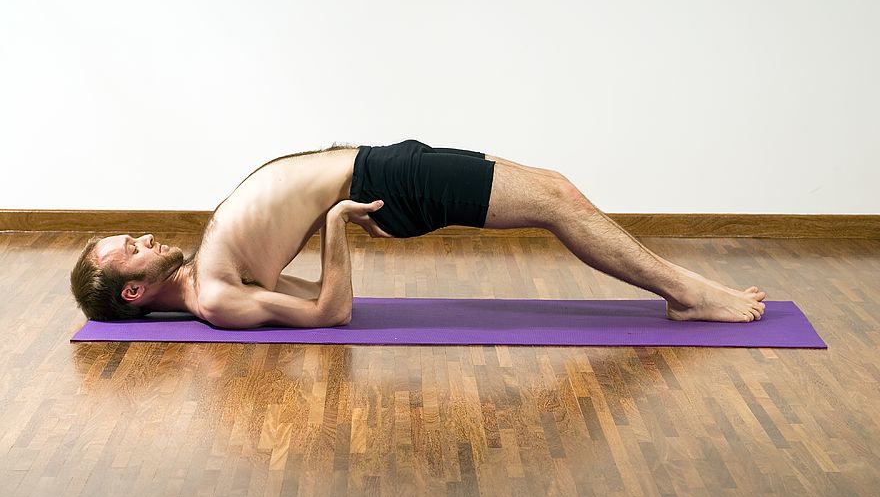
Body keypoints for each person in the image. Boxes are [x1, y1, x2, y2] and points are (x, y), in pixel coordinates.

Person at [70, 139, 766, 328]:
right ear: (133, 289)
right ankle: (687, 293)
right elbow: (331, 312)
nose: (143, 235)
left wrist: (326, 201)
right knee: (559, 196)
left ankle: (685, 289)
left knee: (555, 189)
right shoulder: (216, 299)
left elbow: (300, 287)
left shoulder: (213, 280)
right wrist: (338, 220)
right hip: (386, 181)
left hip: (378, 165)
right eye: (130, 248)